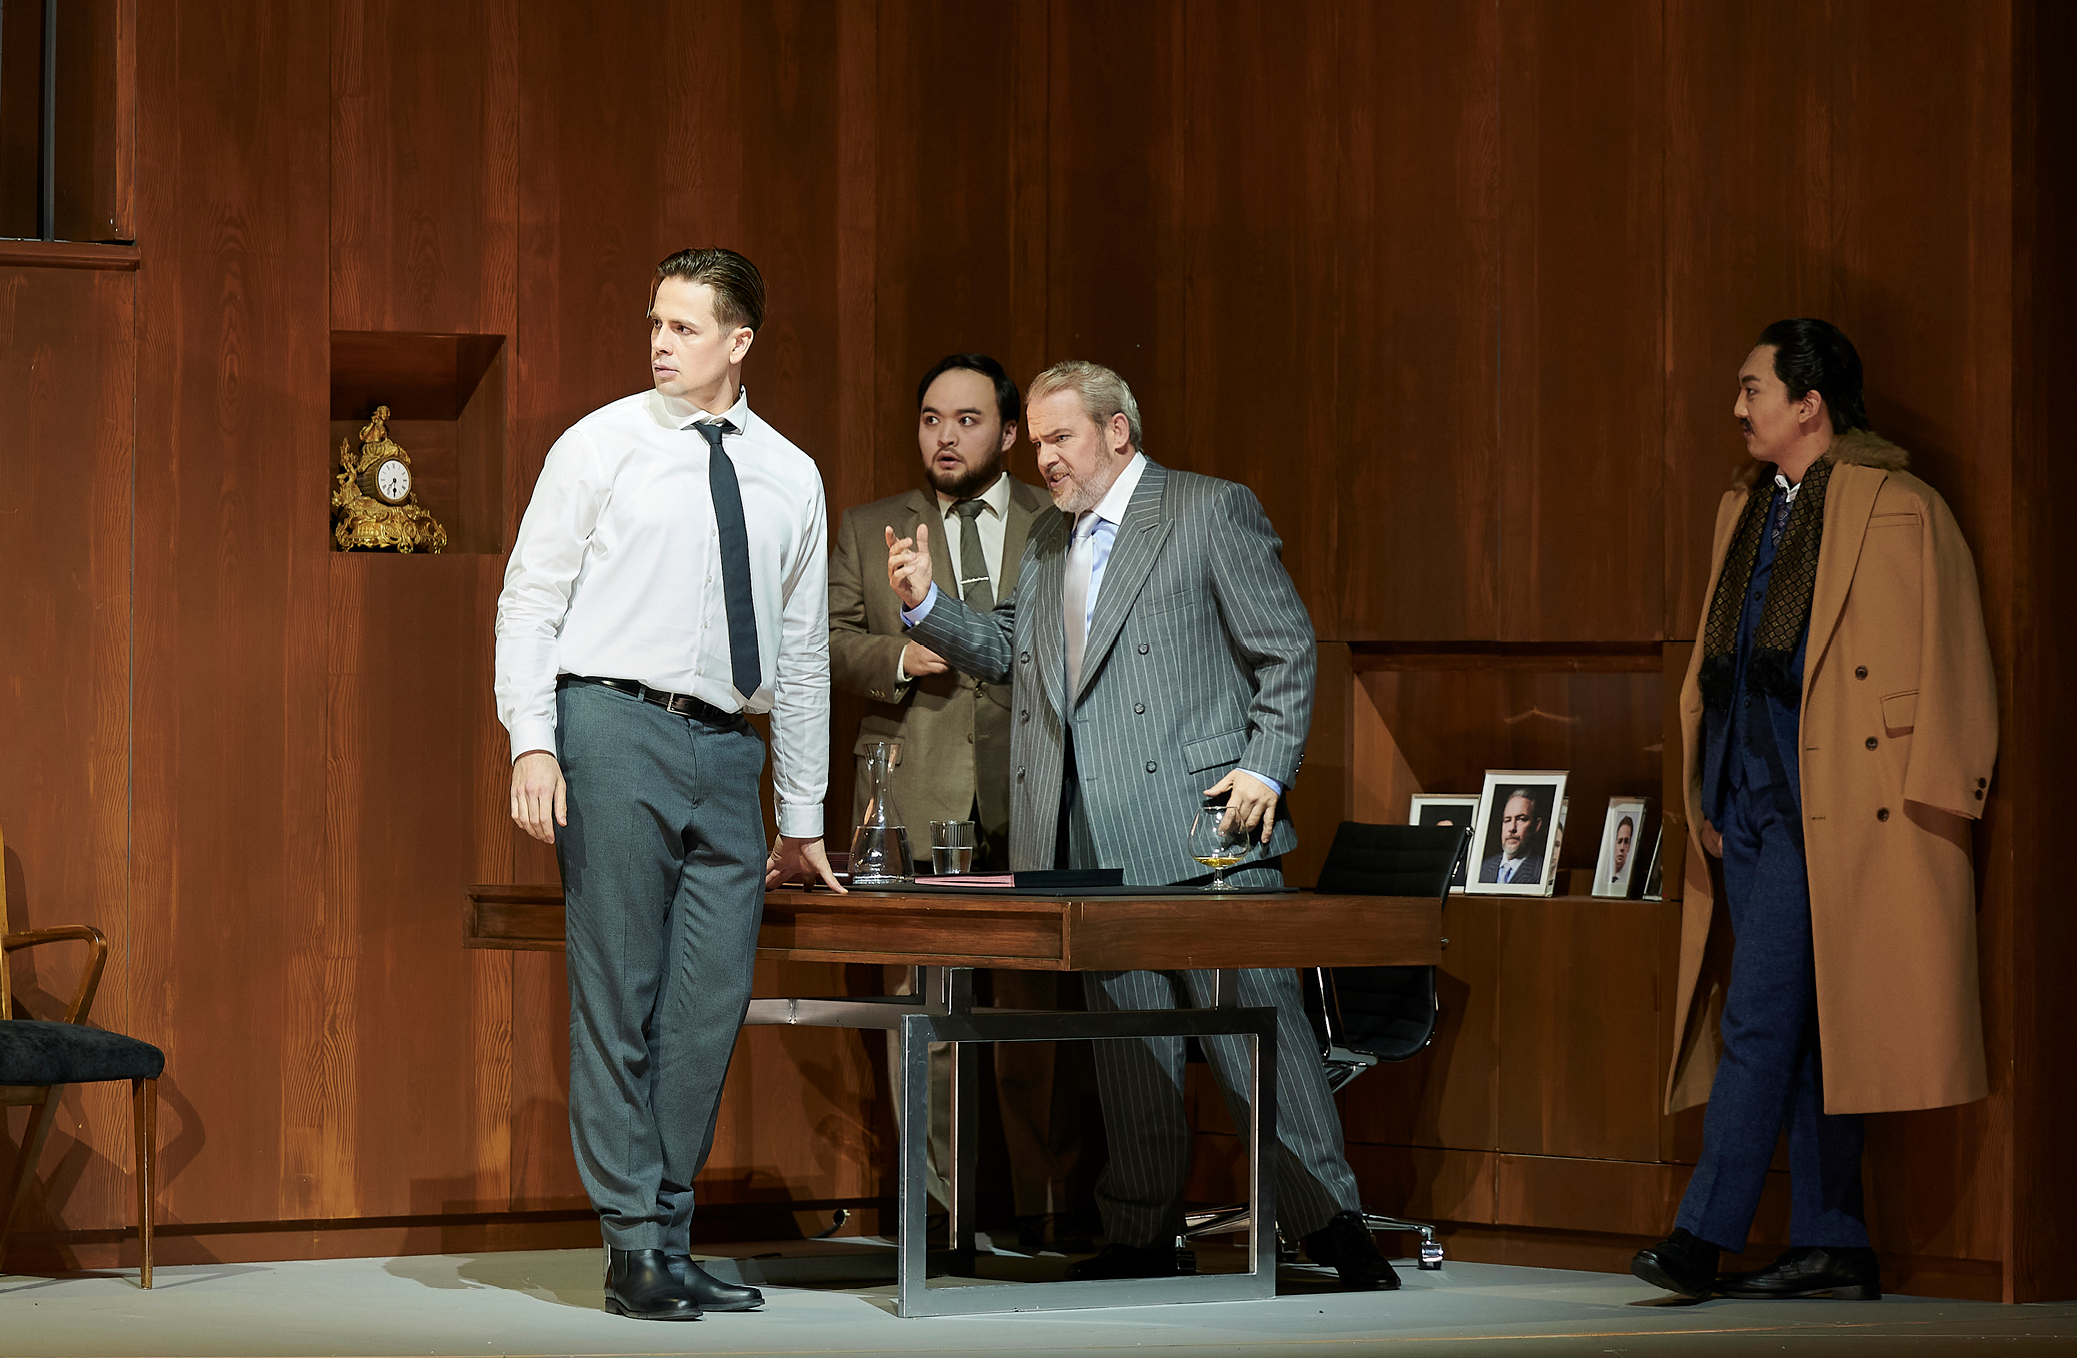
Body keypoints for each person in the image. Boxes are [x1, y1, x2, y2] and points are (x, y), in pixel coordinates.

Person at [889, 360, 1399, 1290]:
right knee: (1130, 1052)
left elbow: (1286, 650)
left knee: (1258, 1045)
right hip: (1090, 837)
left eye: (1061, 437)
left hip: (1208, 832)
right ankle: (1140, 1233)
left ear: (1116, 431)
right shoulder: (1049, 539)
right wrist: (927, 605)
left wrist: (1266, 765)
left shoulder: (1206, 509)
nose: (1044, 457)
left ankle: (1332, 1226)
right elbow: (1007, 650)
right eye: (1039, 441)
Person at [493, 249, 843, 1323]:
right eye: (655, 321)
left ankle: (668, 1233)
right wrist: (532, 740)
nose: (660, 342)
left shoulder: (791, 472)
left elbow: (802, 652)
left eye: (684, 327)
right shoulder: (600, 443)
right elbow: (530, 599)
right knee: (620, 991)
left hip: (729, 748)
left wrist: (802, 814)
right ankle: (636, 1242)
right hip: (612, 724)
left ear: (740, 341)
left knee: (707, 1004)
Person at [1632, 321, 1997, 1303]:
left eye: (1753, 388)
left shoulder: (1900, 506)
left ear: (1810, 404)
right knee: (1803, 1026)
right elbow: (1721, 665)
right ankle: (1834, 1240)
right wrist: (1710, 791)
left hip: (1837, 808)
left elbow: (1953, 652)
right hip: (1750, 805)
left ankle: (1700, 1236)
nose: (1738, 407)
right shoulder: (1743, 508)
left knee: (1758, 1018)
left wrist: (1943, 794)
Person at [827, 353, 1092, 1251]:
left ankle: (1048, 1212)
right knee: (926, 1018)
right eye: (932, 418)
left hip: (1031, 788)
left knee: (1034, 1019)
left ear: (1010, 433)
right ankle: (942, 1222)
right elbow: (824, 642)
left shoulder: (1057, 519)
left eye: (968, 420)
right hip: (915, 788)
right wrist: (899, 656)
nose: (946, 436)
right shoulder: (869, 527)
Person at [1484, 789, 1549, 886]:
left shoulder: (1543, 872)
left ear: (1536, 825)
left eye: (1521, 819)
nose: (1512, 828)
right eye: (1507, 820)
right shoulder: (1483, 867)